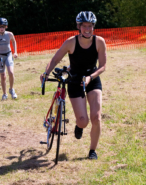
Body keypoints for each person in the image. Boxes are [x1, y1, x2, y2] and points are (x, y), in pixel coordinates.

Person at [40, 11, 106, 160]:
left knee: (96, 117)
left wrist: (90, 77)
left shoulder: (99, 42)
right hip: (75, 80)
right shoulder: (71, 42)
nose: (88, 29)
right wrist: (46, 73)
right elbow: (55, 59)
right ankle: (79, 125)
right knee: (83, 121)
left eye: (90, 26)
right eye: (84, 26)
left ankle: (92, 151)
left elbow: (102, 66)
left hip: (92, 79)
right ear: (79, 27)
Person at [0, 17, 18, 100]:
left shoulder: (9, 34)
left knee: (11, 72)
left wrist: (15, 52)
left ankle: (11, 89)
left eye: (3, 27)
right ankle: (4, 94)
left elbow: (14, 42)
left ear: (6, 27)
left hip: (8, 54)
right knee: (3, 75)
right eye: (0, 26)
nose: (1, 28)